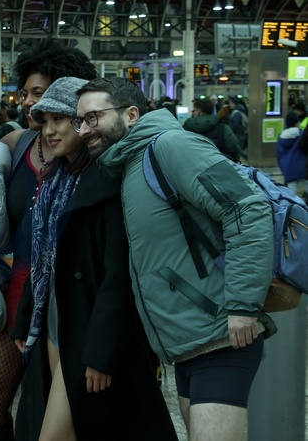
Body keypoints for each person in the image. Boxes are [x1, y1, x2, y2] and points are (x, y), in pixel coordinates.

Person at [77, 77, 275, 441]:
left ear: (131, 114)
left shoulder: (171, 146)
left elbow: (247, 208)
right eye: (80, 121)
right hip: (187, 347)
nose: (84, 130)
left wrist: (243, 305)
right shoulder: (130, 164)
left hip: (220, 338)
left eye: (92, 118)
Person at [12, 76, 177, 441]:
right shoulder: (55, 181)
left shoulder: (109, 181)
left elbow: (119, 276)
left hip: (87, 330)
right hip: (55, 324)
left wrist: (102, 352)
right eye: (44, 121)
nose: (49, 130)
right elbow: (42, 261)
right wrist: (25, 318)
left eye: (60, 119)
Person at [0, 37, 96, 441]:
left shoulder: (89, 153)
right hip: (19, 290)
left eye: (40, 93)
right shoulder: (14, 146)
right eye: (26, 93)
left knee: (51, 408)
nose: (29, 102)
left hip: (67, 297)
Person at [277, 111, 306, 194]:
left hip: (287, 169)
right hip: (302, 168)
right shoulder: (302, 135)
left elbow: (278, 155)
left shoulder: (281, 137)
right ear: (297, 123)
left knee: (290, 194)